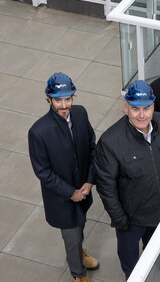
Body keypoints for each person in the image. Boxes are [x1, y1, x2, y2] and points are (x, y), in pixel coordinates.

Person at [94, 80, 160, 279]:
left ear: (153, 106)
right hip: (132, 219)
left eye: (146, 108)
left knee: (157, 244)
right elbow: (106, 187)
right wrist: (120, 219)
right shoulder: (110, 142)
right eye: (135, 109)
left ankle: (158, 259)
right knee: (129, 256)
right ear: (126, 108)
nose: (142, 115)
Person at [28, 72, 99, 282]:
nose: (64, 105)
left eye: (67, 99)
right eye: (58, 100)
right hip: (61, 199)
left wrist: (89, 180)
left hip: (84, 190)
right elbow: (43, 172)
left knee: (80, 228)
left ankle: (76, 254)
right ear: (48, 99)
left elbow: (92, 148)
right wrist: (71, 193)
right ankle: (78, 274)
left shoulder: (81, 113)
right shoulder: (38, 132)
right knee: (72, 235)